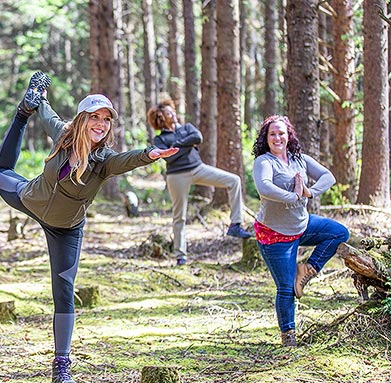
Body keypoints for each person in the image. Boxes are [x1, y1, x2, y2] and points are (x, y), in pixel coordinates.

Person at [0, 72, 179, 383]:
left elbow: (125, 160)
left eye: (106, 119)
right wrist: (35, 103)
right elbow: (47, 113)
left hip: (66, 230)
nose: (101, 124)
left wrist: (150, 154)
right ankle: (19, 114)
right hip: (30, 199)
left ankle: (61, 369)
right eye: (95, 117)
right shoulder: (64, 135)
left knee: (63, 294)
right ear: (82, 119)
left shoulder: (103, 160)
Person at [252, 115, 349, 347]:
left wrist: (309, 192)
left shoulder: (299, 159)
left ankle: (307, 269)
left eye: (281, 133)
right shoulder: (264, 161)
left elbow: (329, 177)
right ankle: (289, 338)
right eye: (272, 134)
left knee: (339, 233)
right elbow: (264, 187)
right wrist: (293, 196)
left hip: (302, 225)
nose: (277, 137)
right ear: (266, 138)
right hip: (275, 234)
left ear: (289, 135)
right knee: (286, 288)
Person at [147, 97, 252, 266]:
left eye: (172, 111)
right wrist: (187, 145)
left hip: (198, 168)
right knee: (179, 216)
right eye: (168, 113)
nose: (172, 114)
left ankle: (235, 224)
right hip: (176, 176)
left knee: (234, 180)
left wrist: (177, 145)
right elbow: (169, 157)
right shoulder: (159, 139)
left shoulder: (186, 128)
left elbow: (198, 137)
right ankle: (181, 256)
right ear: (161, 117)